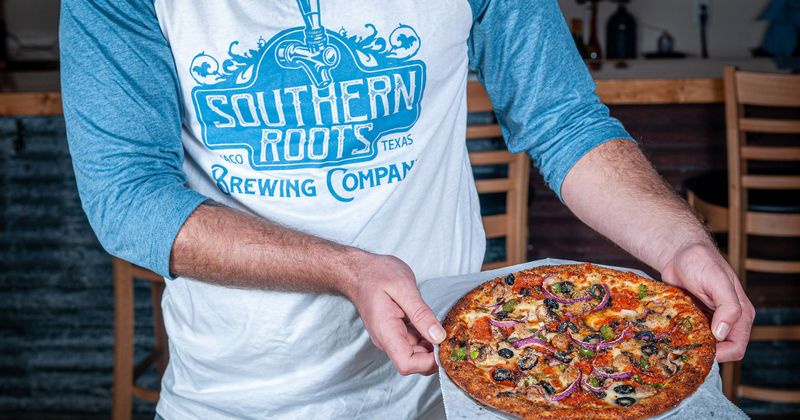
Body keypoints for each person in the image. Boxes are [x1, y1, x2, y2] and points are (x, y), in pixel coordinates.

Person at [60, 0, 754, 418]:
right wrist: (345, 268)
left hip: (452, 389)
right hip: (237, 394)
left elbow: (562, 117)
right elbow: (127, 197)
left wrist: (677, 240)